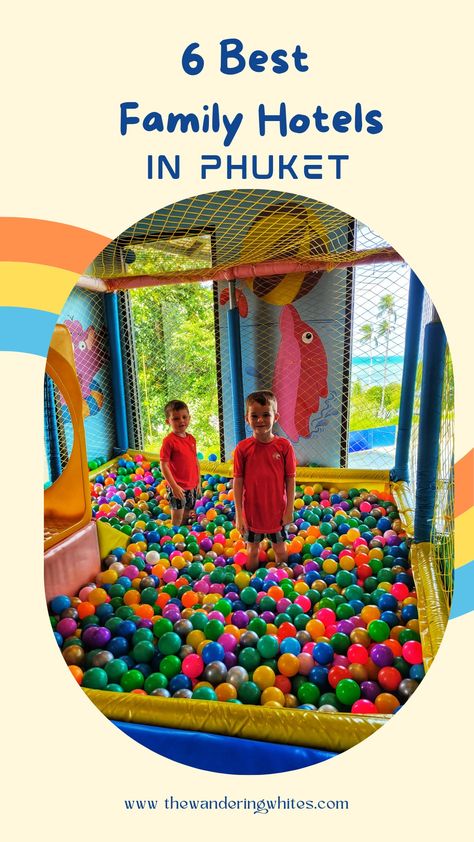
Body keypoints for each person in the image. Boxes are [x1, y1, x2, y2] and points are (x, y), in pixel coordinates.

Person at [233, 390, 296, 572]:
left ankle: (283, 580)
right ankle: (251, 581)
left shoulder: (284, 446)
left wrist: (289, 509)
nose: (260, 420)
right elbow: (238, 482)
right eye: (255, 416)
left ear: (275, 417)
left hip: (276, 511)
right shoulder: (242, 449)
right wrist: (239, 514)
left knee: (280, 548)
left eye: (266, 415)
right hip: (253, 512)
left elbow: (290, 479)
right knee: (252, 550)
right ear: (247, 418)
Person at [159, 400, 201, 527]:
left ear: (189, 418)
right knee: (177, 519)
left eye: (184, 417)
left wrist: (198, 481)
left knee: (187, 513)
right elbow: (164, 465)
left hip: (192, 486)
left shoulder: (191, 439)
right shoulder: (169, 441)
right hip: (178, 487)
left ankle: (184, 534)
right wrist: (174, 486)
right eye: (176, 419)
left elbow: (195, 461)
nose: (181, 421)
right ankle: (175, 538)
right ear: (168, 422)